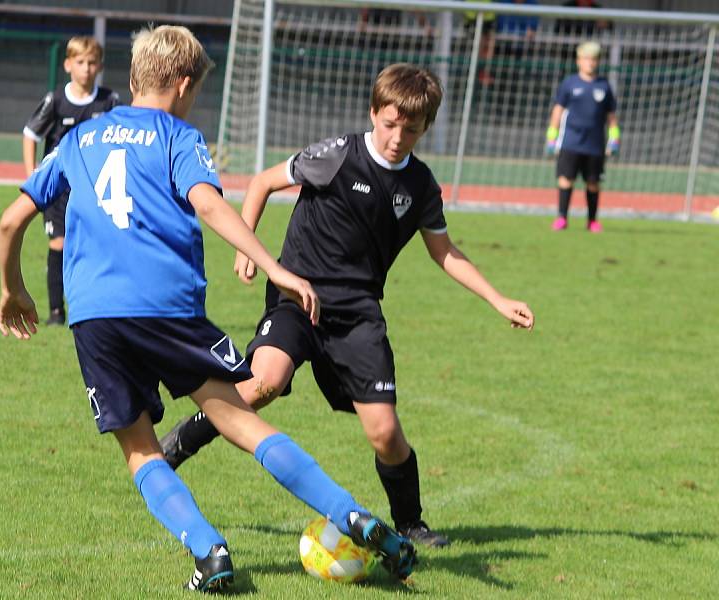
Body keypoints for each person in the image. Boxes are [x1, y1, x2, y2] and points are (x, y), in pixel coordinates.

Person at [0, 25, 415, 592]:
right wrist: (276, 268)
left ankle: (209, 551)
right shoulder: (178, 135)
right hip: (168, 309)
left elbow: (10, 219)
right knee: (241, 421)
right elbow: (210, 206)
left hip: (95, 315)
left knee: (141, 451)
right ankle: (353, 515)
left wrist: (12, 289)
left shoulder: (79, 140)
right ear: (184, 83)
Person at [160, 63, 536, 549]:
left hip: (358, 314)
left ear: (426, 128)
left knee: (385, 433)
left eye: (412, 129)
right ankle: (182, 442)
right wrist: (246, 247)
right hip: (298, 297)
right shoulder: (337, 155)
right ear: (374, 113)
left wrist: (498, 298)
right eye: (390, 123)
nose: (398, 137)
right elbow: (261, 182)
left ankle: (411, 522)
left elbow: (444, 252)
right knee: (261, 383)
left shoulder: (420, 186)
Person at [22, 36, 120, 326]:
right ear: (67, 65)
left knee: (96, 247)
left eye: (92, 63)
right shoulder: (56, 101)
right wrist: (34, 177)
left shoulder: (110, 101)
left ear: (100, 66)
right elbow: (30, 134)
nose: (86, 69)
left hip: (94, 188)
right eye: (80, 62)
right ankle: (56, 311)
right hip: (59, 190)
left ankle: (93, 307)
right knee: (59, 244)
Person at [546, 41, 619, 232]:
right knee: (565, 178)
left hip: (594, 144)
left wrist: (615, 137)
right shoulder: (569, 83)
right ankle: (562, 217)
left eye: (594, 59)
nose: (590, 63)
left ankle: (592, 220)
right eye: (586, 59)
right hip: (571, 141)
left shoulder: (604, 86)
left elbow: (611, 117)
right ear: (579, 61)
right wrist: (551, 137)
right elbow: (558, 111)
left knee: (593, 183)